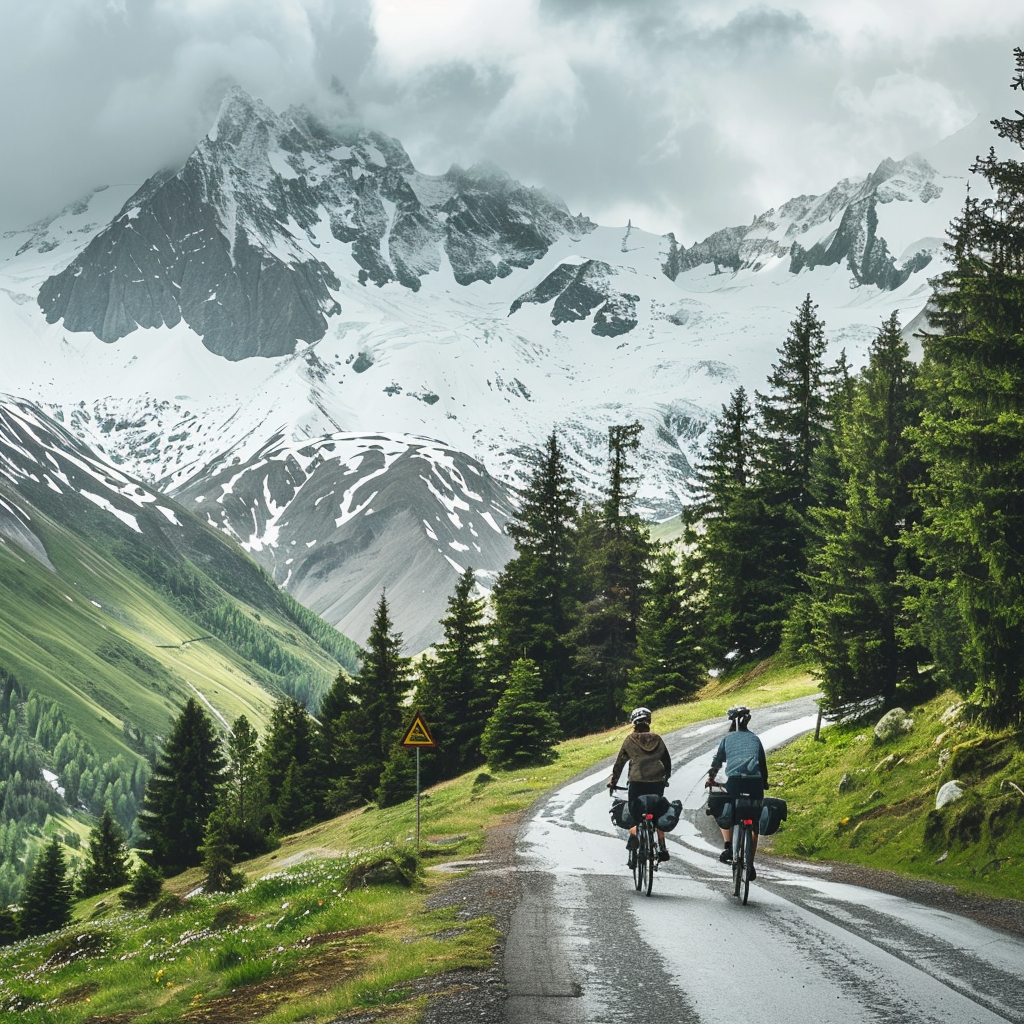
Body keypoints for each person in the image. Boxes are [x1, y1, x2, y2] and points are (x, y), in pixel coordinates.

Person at [704, 705, 768, 878]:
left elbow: (717, 761)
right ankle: (751, 864)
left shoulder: (728, 739)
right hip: (755, 783)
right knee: (754, 824)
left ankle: (727, 845)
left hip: (735, 783)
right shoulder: (755, 739)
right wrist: (765, 783)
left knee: (726, 810)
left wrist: (711, 778)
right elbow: (762, 763)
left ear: (732, 722)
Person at [607, 706, 672, 863]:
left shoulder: (630, 740)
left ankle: (634, 837)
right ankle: (662, 847)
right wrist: (666, 776)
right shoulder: (657, 738)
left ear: (633, 723)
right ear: (648, 721)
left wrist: (613, 781)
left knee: (635, 811)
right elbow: (666, 760)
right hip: (657, 782)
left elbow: (620, 763)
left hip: (637, 782)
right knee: (657, 812)